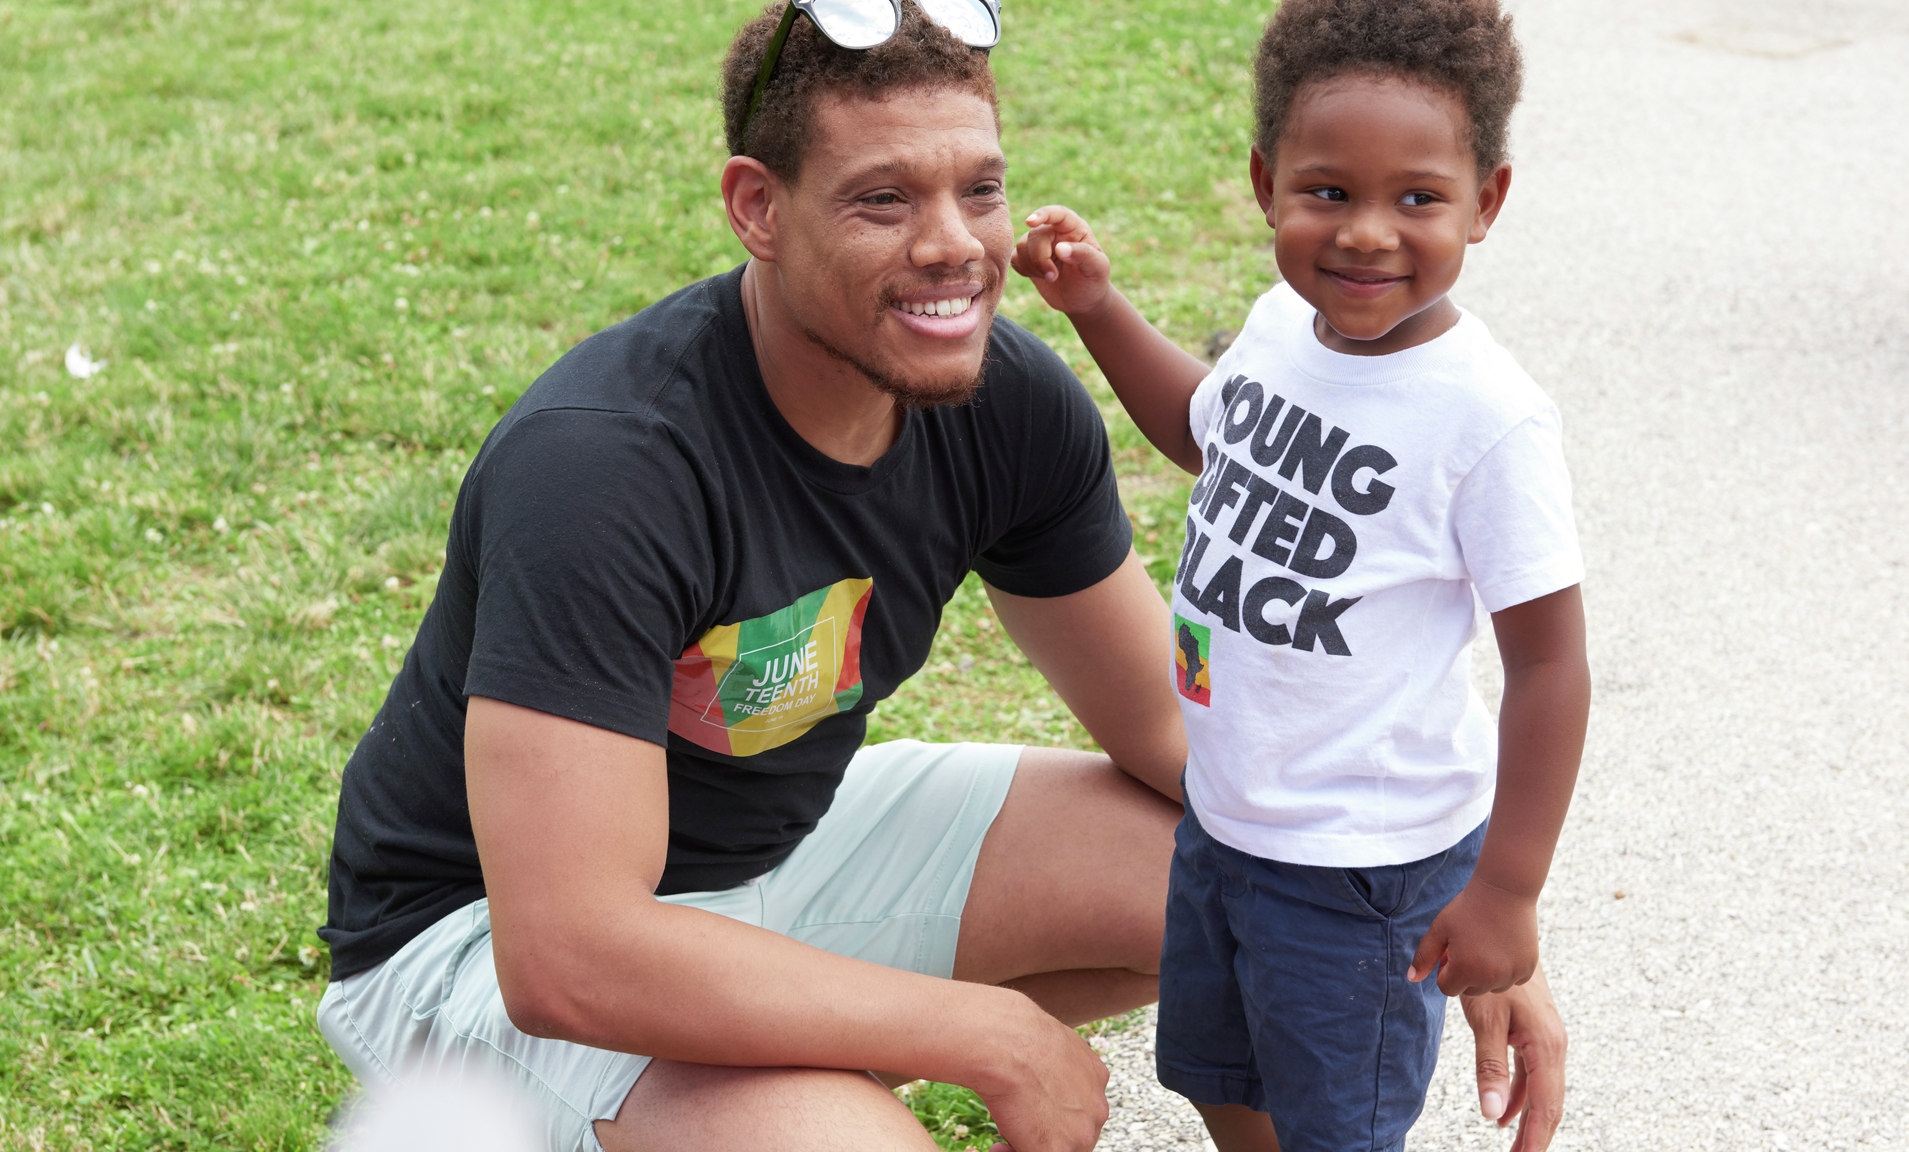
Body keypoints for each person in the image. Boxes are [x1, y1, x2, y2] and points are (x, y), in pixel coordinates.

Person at [314, 3, 1570, 1150]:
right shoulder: (605, 466)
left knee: (1242, 880)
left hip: (781, 854)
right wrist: (985, 1035)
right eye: (881, 201)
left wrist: (1445, 908)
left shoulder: (1000, 401)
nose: (953, 248)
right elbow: (571, 957)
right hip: (484, 943)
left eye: (980, 189)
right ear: (757, 207)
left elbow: (1181, 736)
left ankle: (763, 1084)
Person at [1011, 1, 1589, 1149]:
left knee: (1336, 1119)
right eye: (1330, 192)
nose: (1369, 233)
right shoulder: (1283, 322)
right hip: (1228, 818)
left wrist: (1509, 893)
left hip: (1361, 867)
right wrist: (1096, 309)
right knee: (1221, 1070)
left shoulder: (1487, 418)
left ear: (1488, 201)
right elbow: (1200, 430)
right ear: (1268, 180)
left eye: (1418, 197)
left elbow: (1550, 666)